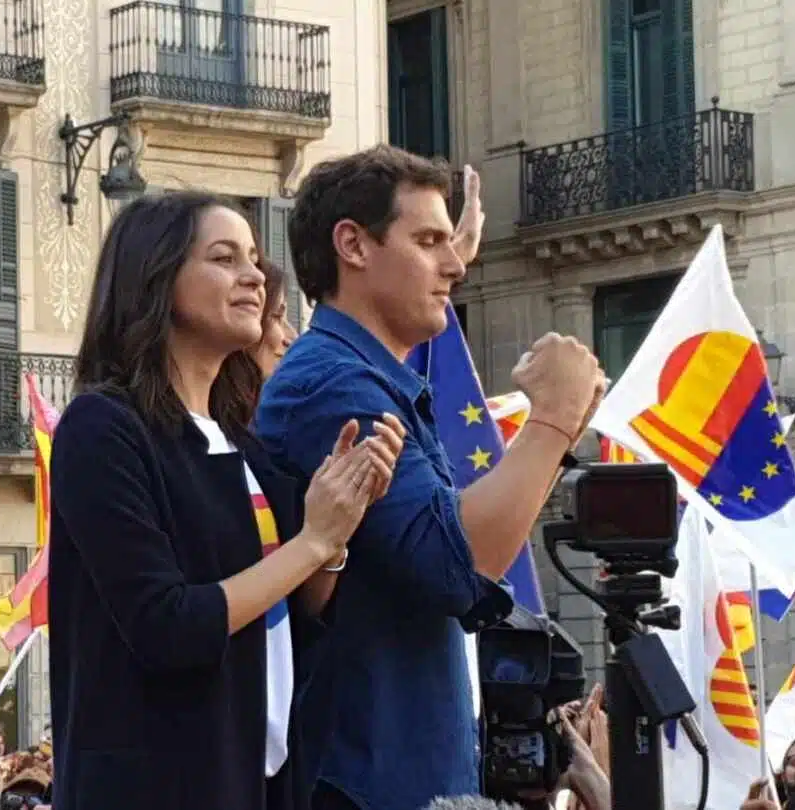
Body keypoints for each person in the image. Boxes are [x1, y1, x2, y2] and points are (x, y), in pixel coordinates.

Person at [255, 146, 605, 810]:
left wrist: (553, 431)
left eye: (451, 243)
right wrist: (552, 421)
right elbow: (462, 562)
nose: (454, 266)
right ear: (353, 245)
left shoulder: (364, 375)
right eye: (427, 242)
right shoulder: (332, 384)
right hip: (367, 786)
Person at [47, 191, 405, 810]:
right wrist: (313, 540)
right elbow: (165, 624)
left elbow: (295, 612)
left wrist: (341, 522)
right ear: (156, 279)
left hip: (263, 782)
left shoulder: (246, 445)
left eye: (255, 260)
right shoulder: (102, 428)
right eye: (224, 258)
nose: (254, 277)